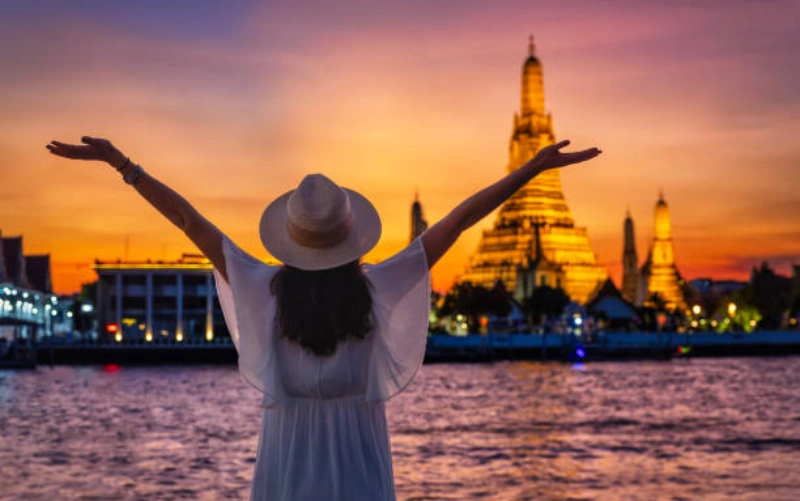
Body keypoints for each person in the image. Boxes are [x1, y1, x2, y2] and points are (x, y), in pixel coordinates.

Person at [46, 136, 601, 500]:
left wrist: (121, 163)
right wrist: (531, 170)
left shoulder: (265, 288)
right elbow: (457, 222)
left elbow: (189, 221)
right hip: (359, 468)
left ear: (291, 241)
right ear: (350, 237)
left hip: (286, 469)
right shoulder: (375, 286)